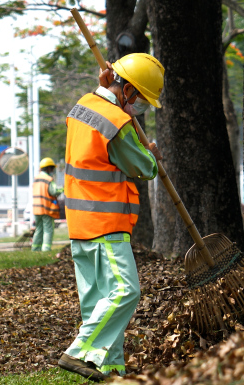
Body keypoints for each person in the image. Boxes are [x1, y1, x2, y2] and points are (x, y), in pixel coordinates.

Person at [57, 53, 164, 382]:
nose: (141, 107)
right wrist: (153, 156)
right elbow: (141, 167)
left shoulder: (83, 106)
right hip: (106, 224)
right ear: (128, 90)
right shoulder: (115, 123)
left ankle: (111, 368)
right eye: (141, 99)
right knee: (125, 291)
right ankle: (77, 352)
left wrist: (118, 103)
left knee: (98, 302)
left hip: (80, 223)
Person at [31, 157, 63, 251]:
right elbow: (54, 191)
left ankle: (35, 248)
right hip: (46, 208)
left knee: (38, 229)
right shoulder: (48, 179)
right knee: (48, 230)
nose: (52, 170)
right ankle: (46, 249)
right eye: (52, 168)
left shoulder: (36, 178)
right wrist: (62, 189)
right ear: (48, 168)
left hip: (36, 209)